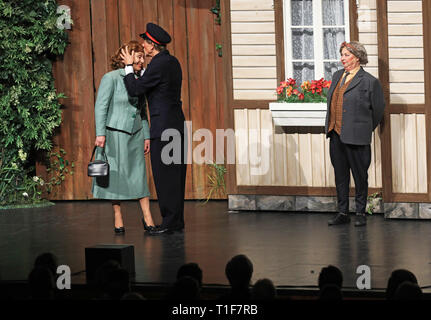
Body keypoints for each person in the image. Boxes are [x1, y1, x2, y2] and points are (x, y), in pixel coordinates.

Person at [120, 23, 186, 235]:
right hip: (176, 124)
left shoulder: (158, 64)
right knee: (175, 176)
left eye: (145, 42)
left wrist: (129, 66)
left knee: (165, 176)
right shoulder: (172, 62)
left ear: (152, 45)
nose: (142, 46)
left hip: (164, 128)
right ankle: (176, 221)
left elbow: (136, 89)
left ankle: (168, 222)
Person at [92, 40, 157, 234]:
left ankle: (148, 218)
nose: (142, 60)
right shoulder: (111, 78)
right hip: (114, 134)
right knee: (116, 176)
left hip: (135, 134)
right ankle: (118, 216)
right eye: (138, 56)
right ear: (126, 57)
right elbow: (101, 107)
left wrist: (146, 135)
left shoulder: (139, 79)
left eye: (142, 56)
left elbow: (142, 110)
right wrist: (100, 133)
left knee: (139, 176)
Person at [325, 41, 385, 227]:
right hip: (336, 135)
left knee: (360, 176)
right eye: (342, 55)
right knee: (340, 175)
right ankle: (343, 212)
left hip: (357, 136)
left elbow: (377, 111)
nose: (342, 58)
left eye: (346, 55)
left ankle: (360, 212)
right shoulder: (336, 76)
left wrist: (362, 128)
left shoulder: (369, 81)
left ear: (357, 57)